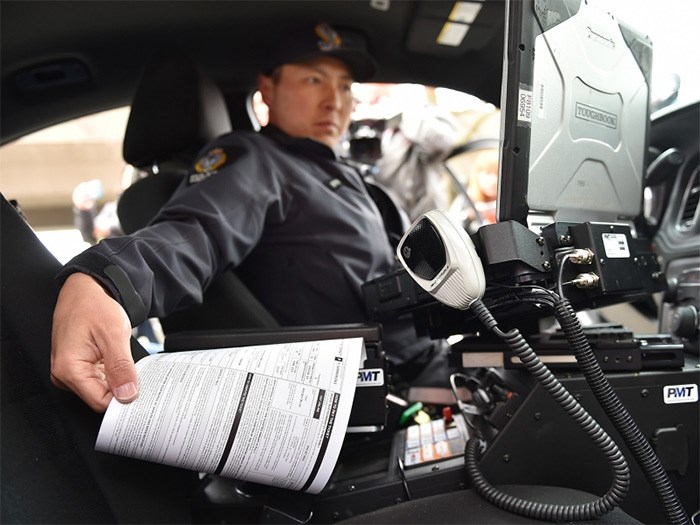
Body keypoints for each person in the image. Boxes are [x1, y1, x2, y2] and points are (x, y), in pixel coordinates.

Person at [51, 21, 451, 413]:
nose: (334, 100)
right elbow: (198, 230)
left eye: (345, 86)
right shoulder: (257, 160)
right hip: (393, 388)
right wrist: (106, 281)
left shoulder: (339, 171)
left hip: (430, 361)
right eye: (314, 80)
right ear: (267, 89)